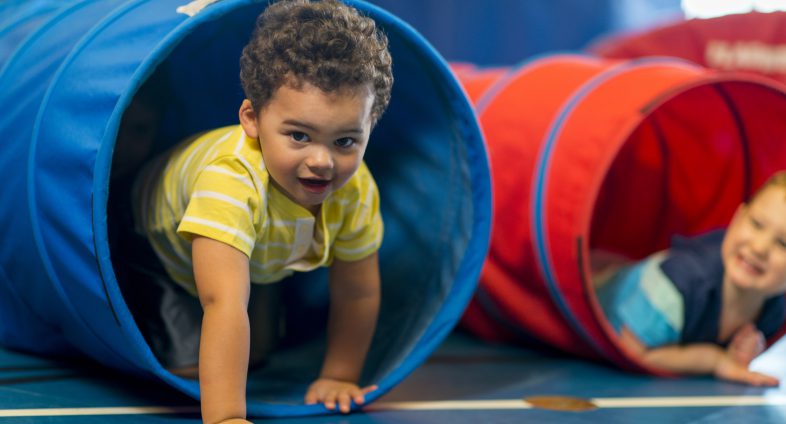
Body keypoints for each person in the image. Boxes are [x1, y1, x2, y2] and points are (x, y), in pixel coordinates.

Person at [115, 1, 393, 422]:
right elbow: (222, 302)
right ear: (252, 119)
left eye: (345, 141)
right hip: (155, 245)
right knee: (192, 367)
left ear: (369, 128)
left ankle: (265, 288)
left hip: (261, 252)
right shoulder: (231, 180)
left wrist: (339, 374)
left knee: (258, 350)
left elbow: (358, 290)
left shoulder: (355, 188)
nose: (323, 161)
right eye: (299, 135)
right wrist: (227, 417)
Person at [591, 171, 786, 386]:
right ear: (737, 218)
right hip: (597, 291)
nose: (759, 248)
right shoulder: (676, 288)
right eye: (757, 224)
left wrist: (739, 354)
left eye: (783, 244)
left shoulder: (774, 308)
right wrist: (714, 360)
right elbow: (634, 350)